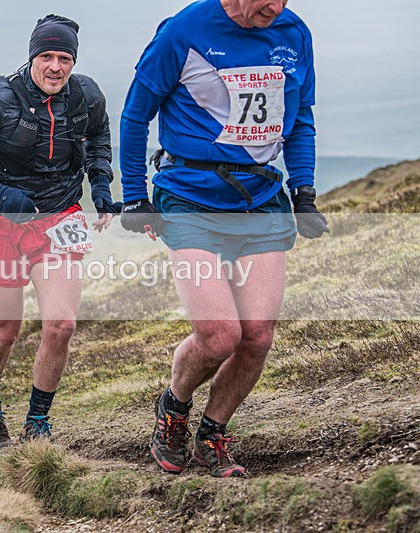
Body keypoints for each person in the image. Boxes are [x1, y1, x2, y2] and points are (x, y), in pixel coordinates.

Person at [119, 0, 328, 477]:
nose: (274, 6)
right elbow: (135, 115)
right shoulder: (184, 30)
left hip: (260, 198)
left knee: (256, 336)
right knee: (219, 335)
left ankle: (213, 433)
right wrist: (134, 196)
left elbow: (300, 117)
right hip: (189, 196)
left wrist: (304, 191)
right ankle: (174, 407)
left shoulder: (293, 32)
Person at [0, 14, 119, 447]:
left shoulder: (86, 95)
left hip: (62, 214)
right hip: (2, 220)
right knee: (6, 330)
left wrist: (100, 183)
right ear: (32, 57)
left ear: (74, 61)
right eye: (47, 57)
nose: (56, 67)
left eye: (65, 58)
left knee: (61, 325)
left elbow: (98, 136)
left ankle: (37, 422)